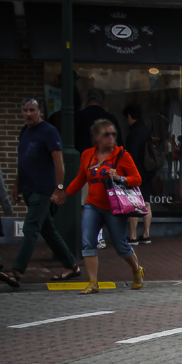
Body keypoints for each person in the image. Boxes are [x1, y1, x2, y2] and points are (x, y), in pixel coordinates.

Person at [53, 118, 145, 293]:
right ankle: (93, 283)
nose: (111, 137)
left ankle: (136, 270)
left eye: (113, 134)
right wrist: (66, 193)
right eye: (106, 134)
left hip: (114, 208)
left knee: (120, 246)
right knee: (88, 242)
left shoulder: (122, 155)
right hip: (92, 205)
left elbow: (137, 179)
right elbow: (81, 178)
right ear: (97, 137)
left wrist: (120, 177)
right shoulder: (87, 155)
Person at [1, 98, 80, 290]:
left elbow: (59, 162)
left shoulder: (49, 132)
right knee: (48, 230)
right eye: (25, 110)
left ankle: (17, 272)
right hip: (28, 189)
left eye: (32, 110)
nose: (28, 114)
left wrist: (59, 188)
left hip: (42, 191)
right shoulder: (24, 131)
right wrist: (16, 185)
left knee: (30, 228)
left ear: (40, 112)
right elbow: (24, 161)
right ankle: (72, 266)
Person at [122, 104, 154, 244]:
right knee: (146, 202)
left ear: (129, 116)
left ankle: (133, 236)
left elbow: (131, 156)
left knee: (133, 203)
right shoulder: (146, 130)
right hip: (148, 171)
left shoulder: (133, 133)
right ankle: (146, 234)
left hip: (136, 172)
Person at [74, 89, 119, 154]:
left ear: (87, 100)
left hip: (84, 159)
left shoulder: (78, 117)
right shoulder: (110, 118)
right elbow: (118, 143)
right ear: (103, 102)